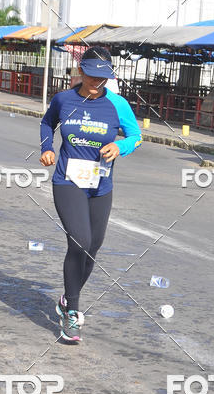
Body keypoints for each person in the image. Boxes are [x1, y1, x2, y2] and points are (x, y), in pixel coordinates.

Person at [40, 46, 142, 342]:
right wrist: (47, 147)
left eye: (104, 78)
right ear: (80, 72)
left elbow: (136, 136)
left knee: (94, 246)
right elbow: (48, 123)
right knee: (80, 241)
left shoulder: (119, 105)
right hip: (68, 181)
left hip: (101, 184)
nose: (97, 83)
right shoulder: (64, 99)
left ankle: (65, 299)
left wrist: (120, 147)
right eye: (92, 76)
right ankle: (72, 313)